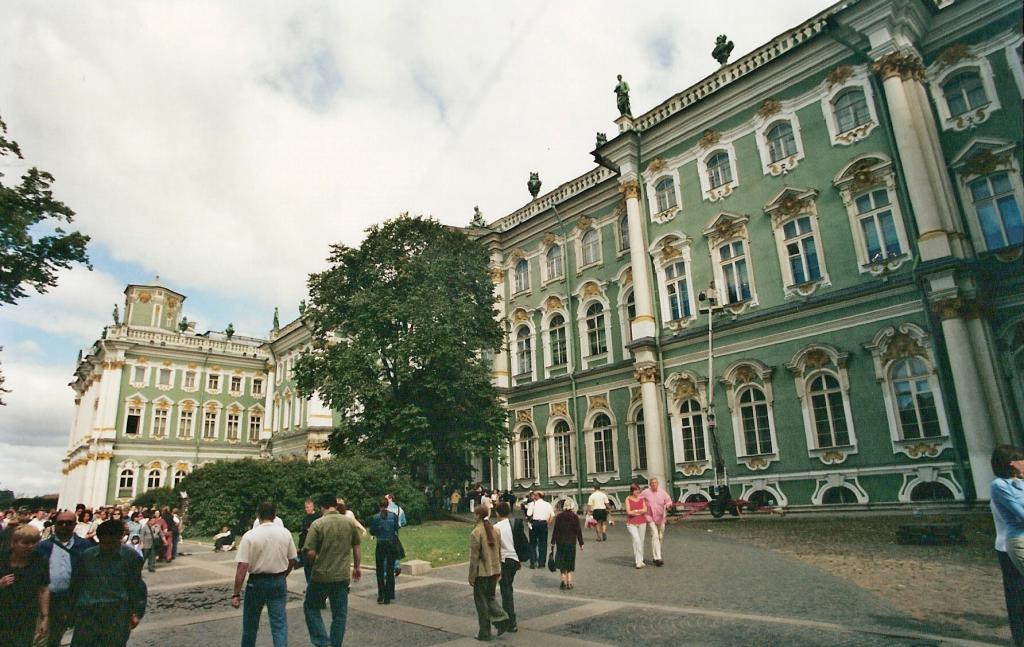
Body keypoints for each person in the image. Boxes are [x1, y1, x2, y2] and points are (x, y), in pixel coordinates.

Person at [69, 519, 147, 647]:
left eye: (111, 543)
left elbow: (137, 586)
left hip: (116, 612)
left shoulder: (131, 557)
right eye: (103, 542)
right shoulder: (87, 557)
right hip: (89, 612)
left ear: (120, 538)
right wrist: (72, 610)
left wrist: (137, 613)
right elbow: (77, 584)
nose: (106, 547)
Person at [232, 501, 297, 647]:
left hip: (256, 582)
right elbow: (292, 559)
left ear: (258, 515)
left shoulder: (250, 536)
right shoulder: (285, 533)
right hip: (278, 580)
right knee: (279, 624)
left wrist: (236, 593)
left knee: (250, 625)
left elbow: (242, 566)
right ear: (275, 515)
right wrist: (284, 574)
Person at [303, 493, 362, 647]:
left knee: (310, 607)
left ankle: (322, 642)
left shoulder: (317, 524)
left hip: (321, 575)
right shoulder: (349, 522)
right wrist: (356, 566)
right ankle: (335, 644)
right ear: (335, 504)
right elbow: (356, 546)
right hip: (342, 576)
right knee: (339, 614)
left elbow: (309, 551)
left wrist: (315, 562)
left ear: (322, 506)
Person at [35, 510, 92, 647]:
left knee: (59, 633)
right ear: (55, 525)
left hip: (70, 597)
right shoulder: (43, 546)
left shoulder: (84, 546)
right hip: (47, 598)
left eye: (69, 523)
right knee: (42, 636)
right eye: (61, 523)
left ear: (75, 525)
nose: (64, 526)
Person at [991, 445, 1024, 645]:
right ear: (1011, 463)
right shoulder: (1001, 487)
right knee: (1017, 597)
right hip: (1008, 547)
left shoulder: (1016, 485)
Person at [0, 524, 49, 646]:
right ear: (14, 543)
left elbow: (43, 589)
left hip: (26, 615)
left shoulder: (39, 560)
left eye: (34, 543)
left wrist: (45, 617)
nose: (30, 546)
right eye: (26, 543)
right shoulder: (2, 558)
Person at [468, 504, 510, 641]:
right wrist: (499, 570)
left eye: (475, 514)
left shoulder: (476, 533)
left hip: (482, 573)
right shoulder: (495, 530)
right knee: (490, 598)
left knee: (481, 602)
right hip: (494, 570)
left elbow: (474, 558)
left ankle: (485, 632)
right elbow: (498, 552)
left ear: (478, 516)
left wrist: (471, 576)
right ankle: (502, 618)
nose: (474, 516)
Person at [492, 502, 520, 632]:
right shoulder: (514, 524)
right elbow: (519, 542)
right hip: (514, 559)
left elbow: (495, 547)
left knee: (506, 590)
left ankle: (510, 620)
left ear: (497, 513)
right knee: (508, 588)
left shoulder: (496, 527)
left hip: (504, 560)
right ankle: (509, 619)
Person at [368, 497, 400, 604]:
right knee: (390, 570)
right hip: (391, 543)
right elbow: (396, 528)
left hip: (381, 543)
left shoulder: (375, 517)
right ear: (387, 505)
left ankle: (381, 594)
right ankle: (389, 594)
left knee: (380, 570)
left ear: (379, 505)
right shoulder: (393, 516)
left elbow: (372, 531)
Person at [550, 499, 584, 590]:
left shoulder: (559, 517)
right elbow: (578, 531)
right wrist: (581, 543)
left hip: (560, 543)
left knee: (562, 562)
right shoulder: (575, 517)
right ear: (572, 507)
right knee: (569, 562)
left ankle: (563, 581)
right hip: (571, 543)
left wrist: (552, 542)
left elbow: (555, 530)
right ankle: (569, 582)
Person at [640, 477, 673, 567]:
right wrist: (643, 506)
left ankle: (656, 555)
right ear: (650, 484)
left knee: (660, 536)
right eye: (652, 483)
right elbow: (639, 499)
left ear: (658, 484)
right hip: (649, 517)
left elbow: (669, 501)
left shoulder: (662, 493)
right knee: (655, 535)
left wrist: (668, 506)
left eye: (655, 483)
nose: (654, 484)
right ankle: (658, 557)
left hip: (661, 517)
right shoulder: (646, 492)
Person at [527, 491, 554, 569]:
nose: (534, 496)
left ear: (538, 496)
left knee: (532, 543)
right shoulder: (547, 504)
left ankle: (533, 561)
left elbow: (529, 514)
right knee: (543, 543)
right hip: (543, 524)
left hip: (534, 524)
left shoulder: (533, 504)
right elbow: (552, 515)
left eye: (535, 495)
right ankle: (541, 563)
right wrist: (548, 523)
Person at [625, 484, 649, 569]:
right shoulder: (628, 499)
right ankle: (638, 562)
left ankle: (640, 560)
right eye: (635, 490)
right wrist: (639, 512)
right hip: (631, 523)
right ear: (632, 491)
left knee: (640, 541)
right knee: (637, 540)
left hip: (642, 522)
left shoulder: (642, 498)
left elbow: (645, 510)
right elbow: (629, 512)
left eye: (638, 489)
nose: (637, 491)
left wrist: (636, 511)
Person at [298, 500, 321, 584]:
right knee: (306, 568)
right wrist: (299, 547)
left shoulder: (318, 517)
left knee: (314, 568)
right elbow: (302, 534)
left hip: (314, 546)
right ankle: (309, 585)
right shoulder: (305, 519)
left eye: (309, 507)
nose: (307, 509)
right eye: (306, 507)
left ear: (313, 507)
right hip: (305, 546)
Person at [385, 493, 407, 575]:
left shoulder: (385, 510)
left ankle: (388, 569)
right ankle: (397, 566)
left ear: (390, 499)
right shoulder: (399, 509)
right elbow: (404, 522)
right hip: (395, 532)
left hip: (386, 531)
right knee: (395, 548)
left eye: (386, 499)